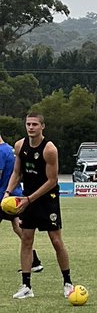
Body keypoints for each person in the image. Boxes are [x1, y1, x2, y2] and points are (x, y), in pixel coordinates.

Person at [4, 112, 75, 299]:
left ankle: (68, 282)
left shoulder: (49, 149)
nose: (31, 127)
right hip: (28, 198)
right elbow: (16, 173)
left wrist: (29, 199)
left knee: (56, 241)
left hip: (47, 198)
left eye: (35, 124)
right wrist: (7, 193)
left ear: (42, 126)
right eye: (28, 124)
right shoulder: (20, 145)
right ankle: (26, 286)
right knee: (26, 239)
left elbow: (52, 180)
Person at [0, 132, 43, 274]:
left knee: (21, 229)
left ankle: (34, 261)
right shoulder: (10, 149)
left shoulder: (1, 152)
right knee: (19, 228)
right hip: (15, 195)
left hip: (3, 197)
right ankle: (35, 261)